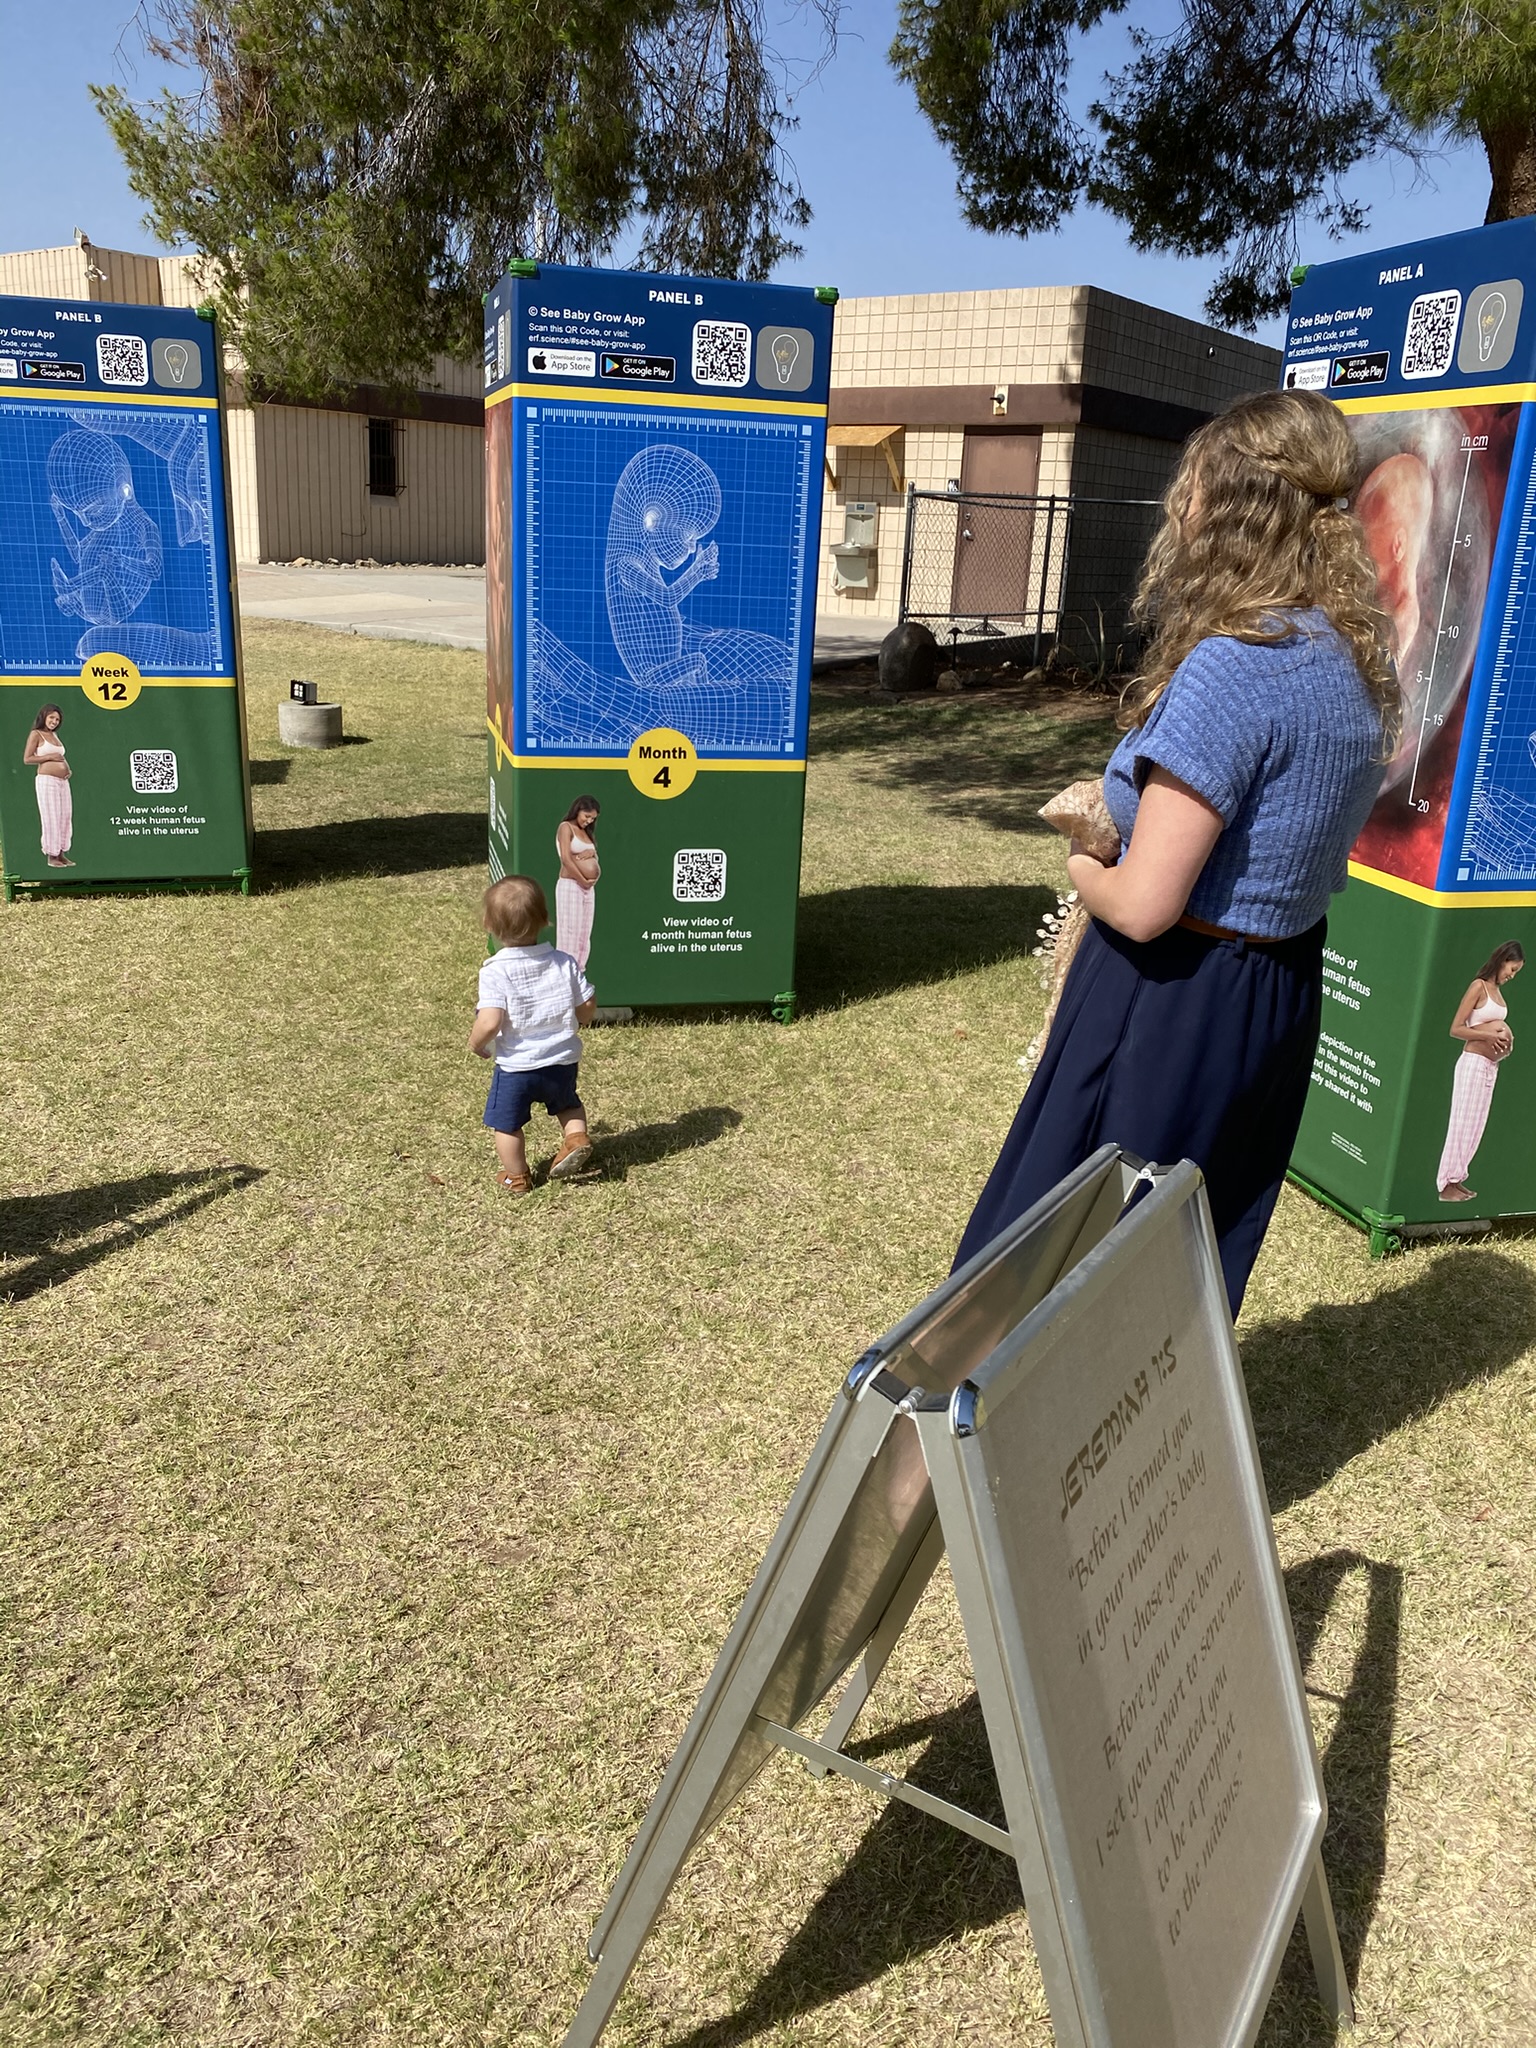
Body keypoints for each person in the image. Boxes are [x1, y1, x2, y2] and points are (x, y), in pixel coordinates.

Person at [954, 389, 1401, 1315]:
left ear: (1232, 507)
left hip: (1169, 997)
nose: (1178, 508)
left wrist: (1084, 859)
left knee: (1053, 1245)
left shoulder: (1238, 664)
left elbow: (1147, 904)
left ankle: (982, 1411)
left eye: (1191, 488)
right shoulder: (1352, 659)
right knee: (1186, 1250)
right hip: (1278, 995)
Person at [471, 875, 597, 1194]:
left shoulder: (495, 970)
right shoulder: (564, 962)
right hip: (561, 1059)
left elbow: (490, 1021)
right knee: (568, 1105)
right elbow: (587, 1003)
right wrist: (581, 1020)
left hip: (517, 1067)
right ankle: (576, 1138)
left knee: (507, 1124)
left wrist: (476, 1043)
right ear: (544, 919)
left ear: (488, 924)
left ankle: (517, 1177)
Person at [1436, 941, 1524, 1201]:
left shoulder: (1498, 992)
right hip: (1473, 1063)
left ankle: (1458, 1178)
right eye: (1512, 969)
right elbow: (1456, 1029)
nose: (1512, 975)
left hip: (1489, 1067)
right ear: (1503, 960)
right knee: (1461, 1122)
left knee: (1476, 1125)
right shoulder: (1479, 986)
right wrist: (1489, 1037)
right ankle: (1446, 1183)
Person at [23, 704, 74, 868]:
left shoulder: (54, 735)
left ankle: (61, 852)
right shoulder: (36, 734)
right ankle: (52, 855)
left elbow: (60, 757)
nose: (54, 721)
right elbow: (27, 758)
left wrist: (66, 769)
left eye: (57, 719)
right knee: (51, 816)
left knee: (65, 815)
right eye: (51, 717)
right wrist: (50, 757)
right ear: (44, 716)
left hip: (62, 781)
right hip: (47, 780)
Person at [555, 796, 601, 970]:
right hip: (572, 885)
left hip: (588, 889)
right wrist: (583, 880)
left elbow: (593, 860)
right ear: (578, 810)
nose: (589, 821)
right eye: (587, 816)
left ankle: (580, 970)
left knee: (584, 932)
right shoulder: (566, 827)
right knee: (570, 931)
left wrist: (592, 855)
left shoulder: (587, 833)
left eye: (593, 818)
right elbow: (566, 859)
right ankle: (566, 970)